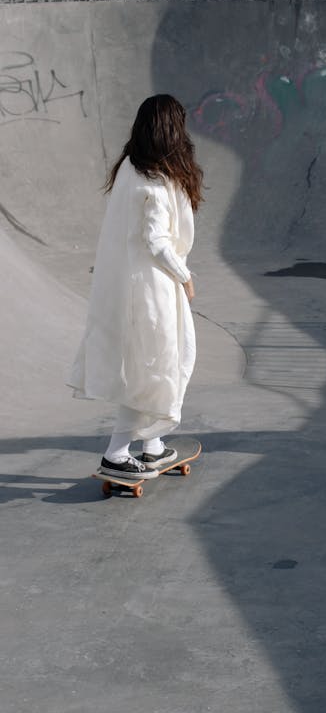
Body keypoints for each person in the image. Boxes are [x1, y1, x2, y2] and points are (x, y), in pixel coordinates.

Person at [70, 94, 203, 478]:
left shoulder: (130, 166)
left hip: (125, 284)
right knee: (157, 366)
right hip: (151, 288)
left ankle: (153, 445)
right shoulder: (156, 180)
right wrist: (185, 275)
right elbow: (156, 240)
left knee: (150, 365)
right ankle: (116, 451)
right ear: (171, 132)